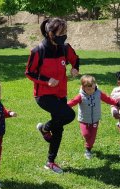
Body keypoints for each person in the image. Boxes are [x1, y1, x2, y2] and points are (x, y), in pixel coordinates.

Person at [25, 17, 79, 174]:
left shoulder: (65, 48)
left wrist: (75, 68)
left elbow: (75, 60)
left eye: (65, 32)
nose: (64, 36)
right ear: (50, 33)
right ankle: (44, 128)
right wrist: (47, 81)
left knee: (59, 127)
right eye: (61, 33)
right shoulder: (38, 51)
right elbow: (29, 72)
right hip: (44, 96)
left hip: (60, 94)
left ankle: (50, 162)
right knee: (69, 115)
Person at [68, 75, 120, 159]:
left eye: (92, 88)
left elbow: (107, 99)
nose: (91, 91)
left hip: (95, 120)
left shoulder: (98, 93)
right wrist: (64, 107)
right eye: (88, 89)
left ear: (95, 85)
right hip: (84, 120)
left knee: (93, 136)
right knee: (86, 134)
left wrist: (117, 104)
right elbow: (72, 102)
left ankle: (88, 150)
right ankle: (88, 144)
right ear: (83, 87)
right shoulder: (81, 96)